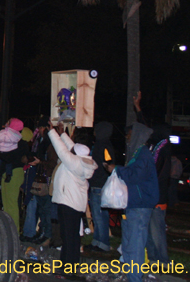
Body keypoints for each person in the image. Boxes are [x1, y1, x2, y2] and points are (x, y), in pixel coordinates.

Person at [105, 122, 157, 282]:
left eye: (129, 134)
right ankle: (130, 276)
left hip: (140, 206)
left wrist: (116, 169)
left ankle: (135, 278)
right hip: (133, 204)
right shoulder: (137, 153)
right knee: (129, 243)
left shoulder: (143, 155)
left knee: (135, 244)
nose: (127, 137)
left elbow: (135, 176)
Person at [48, 122, 97, 265]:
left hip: (69, 203)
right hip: (73, 202)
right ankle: (67, 263)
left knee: (69, 236)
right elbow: (70, 147)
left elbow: (62, 150)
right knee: (70, 235)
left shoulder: (74, 163)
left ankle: (69, 265)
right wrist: (62, 133)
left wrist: (53, 132)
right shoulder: (82, 161)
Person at [86, 121, 115, 252]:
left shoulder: (104, 146)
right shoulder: (100, 145)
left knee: (100, 215)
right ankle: (97, 241)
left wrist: (98, 177)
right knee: (97, 215)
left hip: (99, 185)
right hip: (96, 183)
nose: (94, 133)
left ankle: (103, 243)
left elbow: (108, 163)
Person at [0, 122, 31, 232]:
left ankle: (14, 231)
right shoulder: (18, 141)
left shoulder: (18, 142)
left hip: (13, 173)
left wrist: (0, 154)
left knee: (10, 203)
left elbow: (9, 157)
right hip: (11, 172)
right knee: (7, 203)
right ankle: (10, 229)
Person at [146, 124, 172, 264]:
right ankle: (153, 258)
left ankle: (162, 260)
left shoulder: (162, 150)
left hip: (158, 196)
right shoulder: (158, 148)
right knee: (150, 230)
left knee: (157, 231)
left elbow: (159, 174)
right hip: (153, 195)